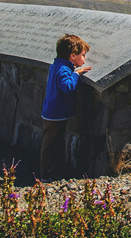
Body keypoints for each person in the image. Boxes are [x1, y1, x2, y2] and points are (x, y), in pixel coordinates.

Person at [40, 33, 92, 180]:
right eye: (82, 54)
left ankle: (53, 172)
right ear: (72, 55)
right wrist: (76, 74)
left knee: (53, 144)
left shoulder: (57, 65)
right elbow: (67, 87)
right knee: (51, 146)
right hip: (55, 115)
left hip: (52, 113)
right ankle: (46, 175)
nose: (85, 58)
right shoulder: (63, 69)